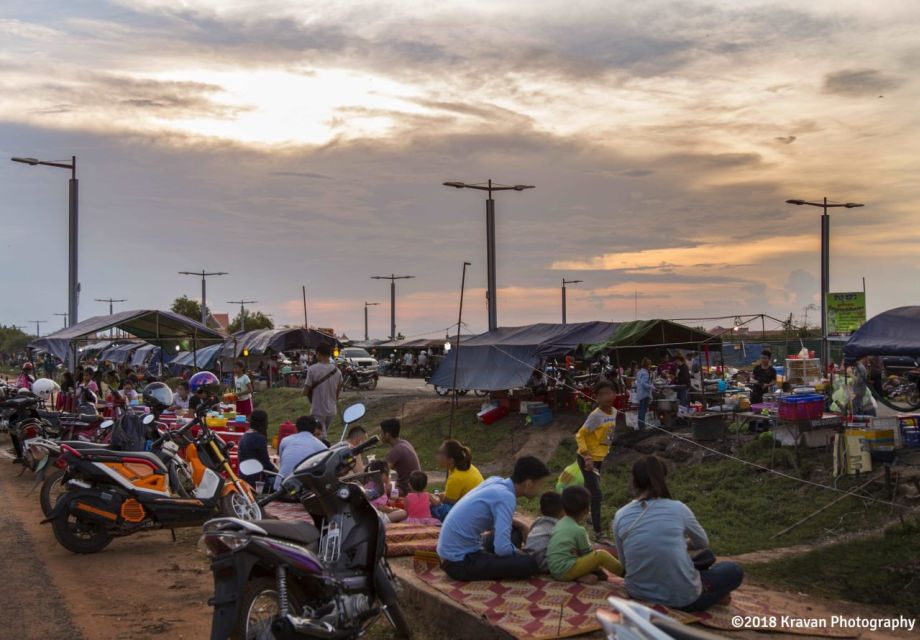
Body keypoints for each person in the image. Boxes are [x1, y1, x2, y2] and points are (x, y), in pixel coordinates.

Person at [613, 455, 743, 612]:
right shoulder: (678, 508)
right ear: (663, 478)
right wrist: (685, 543)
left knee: (704, 557)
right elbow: (702, 542)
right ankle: (715, 594)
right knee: (732, 570)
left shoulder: (621, 514)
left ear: (634, 481)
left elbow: (624, 563)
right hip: (682, 600)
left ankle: (714, 593)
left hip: (637, 592)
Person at [436, 456, 551, 582]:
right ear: (528, 484)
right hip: (459, 563)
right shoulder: (506, 497)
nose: (541, 489)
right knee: (530, 564)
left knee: (515, 532)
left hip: (450, 554)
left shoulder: (495, 481)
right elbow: (502, 549)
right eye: (540, 484)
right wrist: (520, 553)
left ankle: (500, 560)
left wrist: (521, 526)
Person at [548, 486, 623, 583]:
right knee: (601, 555)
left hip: (554, 569)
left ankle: (580, 576)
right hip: (564, 570)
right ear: (587, 510)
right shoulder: (579, 530)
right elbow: (589, 555)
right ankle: (626, 573)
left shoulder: (559, 523)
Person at [575, 380, 618, 539]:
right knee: (597, 494)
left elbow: (608, 433)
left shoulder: (614, 412)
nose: (605, 397)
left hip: (600, 457)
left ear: (615, 394)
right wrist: (586, 456)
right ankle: (598, 532)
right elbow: (580, 434)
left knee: (589, 490)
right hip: (587, 459)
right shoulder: (595, 416)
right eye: (601, 395)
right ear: (596, 398)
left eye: (609, 393)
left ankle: (583, 514)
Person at [432, 439, 483, 520]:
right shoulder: (467, 467)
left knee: (434, 508)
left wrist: (433, 498)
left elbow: (448, 501)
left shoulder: (456, 477)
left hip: (472, 512)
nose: (437, 456)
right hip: (478, 506)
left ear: (450, 460)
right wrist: (438, 496)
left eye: (440, 453)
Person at [275, 415, 328, 489]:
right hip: (303, 493)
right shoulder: (322, 447)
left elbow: (282, 462)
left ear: (296, 428)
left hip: (279, 488)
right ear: (314, 429)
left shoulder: (285, 440)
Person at [302, 343, 343, 437]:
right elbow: (338, 392)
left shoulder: (312, 369)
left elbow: (305, 391)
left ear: (318, 354)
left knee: (321, 436)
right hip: (332, 410)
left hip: (318, 409)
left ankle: (325, 449)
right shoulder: (337, 371)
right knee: (323, 432)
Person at [522, 491, 564, 572]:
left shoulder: (538, 521)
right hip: (545, 564)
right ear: (563, 512)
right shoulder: (561, 527)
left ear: (540, 510)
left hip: (529, 556)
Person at [238, 409, 277, 491]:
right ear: (264, 423)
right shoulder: (259, 438)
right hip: (256, 482)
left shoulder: (245, 436)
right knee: (282, 482)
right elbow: (267, 465)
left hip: (243, 478)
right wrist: (280, 472)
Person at [380, 418, 421, 496]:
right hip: (414, 487)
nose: (380, 435)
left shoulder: (396, 450)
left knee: (379, 490)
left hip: (406, 490)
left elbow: (382, 471)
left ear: (387, 434)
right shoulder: (404, 443)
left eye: (382, 432)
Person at [750, 350, 777, 431]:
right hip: (755, 392)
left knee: (765, 411)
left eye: (765, 358)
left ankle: (765, 428)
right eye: (762, 358)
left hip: (765, 394)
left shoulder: (772, 370)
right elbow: (752, 378)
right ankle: (752, 428)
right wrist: (755, 381)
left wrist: (767, 385)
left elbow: (774, 381)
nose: (763, 360)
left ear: (769, 359)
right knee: (754, 410)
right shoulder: (757, 368)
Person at [635, 358, 653, 430]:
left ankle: (640, 425)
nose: (650, 366)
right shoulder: (645, 373)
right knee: (643, 410)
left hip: (639, 393)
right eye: (650, 365)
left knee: (641, 410)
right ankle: (642, 426)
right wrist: (652, 386)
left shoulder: (639, 372)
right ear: (648, 365)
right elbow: (644, 384)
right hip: (644, 394)